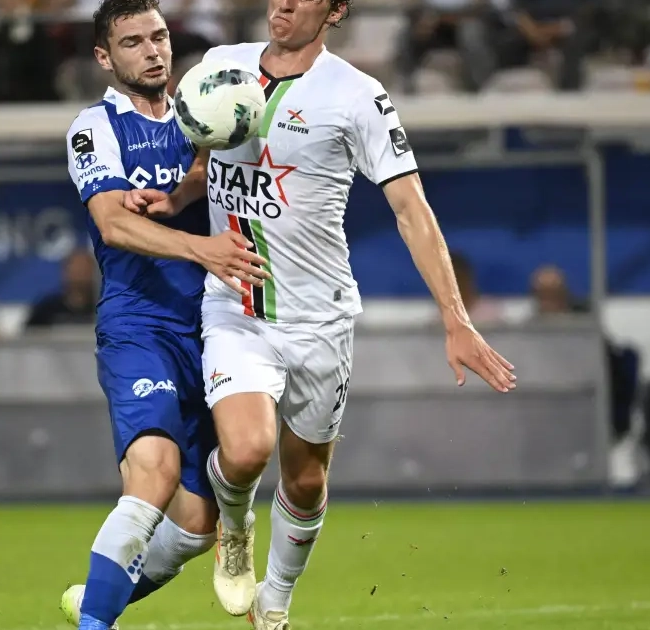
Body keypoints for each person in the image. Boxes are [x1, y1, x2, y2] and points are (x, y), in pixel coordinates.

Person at [125, 1, 518, 626]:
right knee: (246, 451)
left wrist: (456, 317)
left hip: (319, 319)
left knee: (306, 481)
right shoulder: (222, 64)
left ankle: (275, 602)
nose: (281, 3)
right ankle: (235, 526)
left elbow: (411, 209)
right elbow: (207, 159)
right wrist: (175, 199)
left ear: (334, 10)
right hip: (237, 304)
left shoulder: (357, 96)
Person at [55, 1, 271, 629]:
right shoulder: (94, 127)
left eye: (158, 37)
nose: (152, 51)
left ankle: (94, 599)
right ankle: (97, 622)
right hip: (140, 323)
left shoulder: (203, 110)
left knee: (197, 525)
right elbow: (113, 223)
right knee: (153, 473)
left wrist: (186, 189)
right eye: (132, 42)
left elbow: (221, 173)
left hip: (216, 327)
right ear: (104, 57)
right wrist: (201, 248)